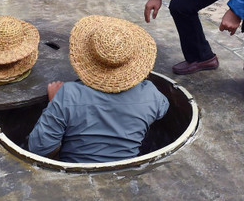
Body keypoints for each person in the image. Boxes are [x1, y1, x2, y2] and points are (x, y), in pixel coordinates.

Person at [27, 16, 169, 163]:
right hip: (126, 173)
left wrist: (54, 102)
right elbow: (162, 109)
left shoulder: (68, 94)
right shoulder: (151, 94)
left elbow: (40, 149)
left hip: (75, 175)